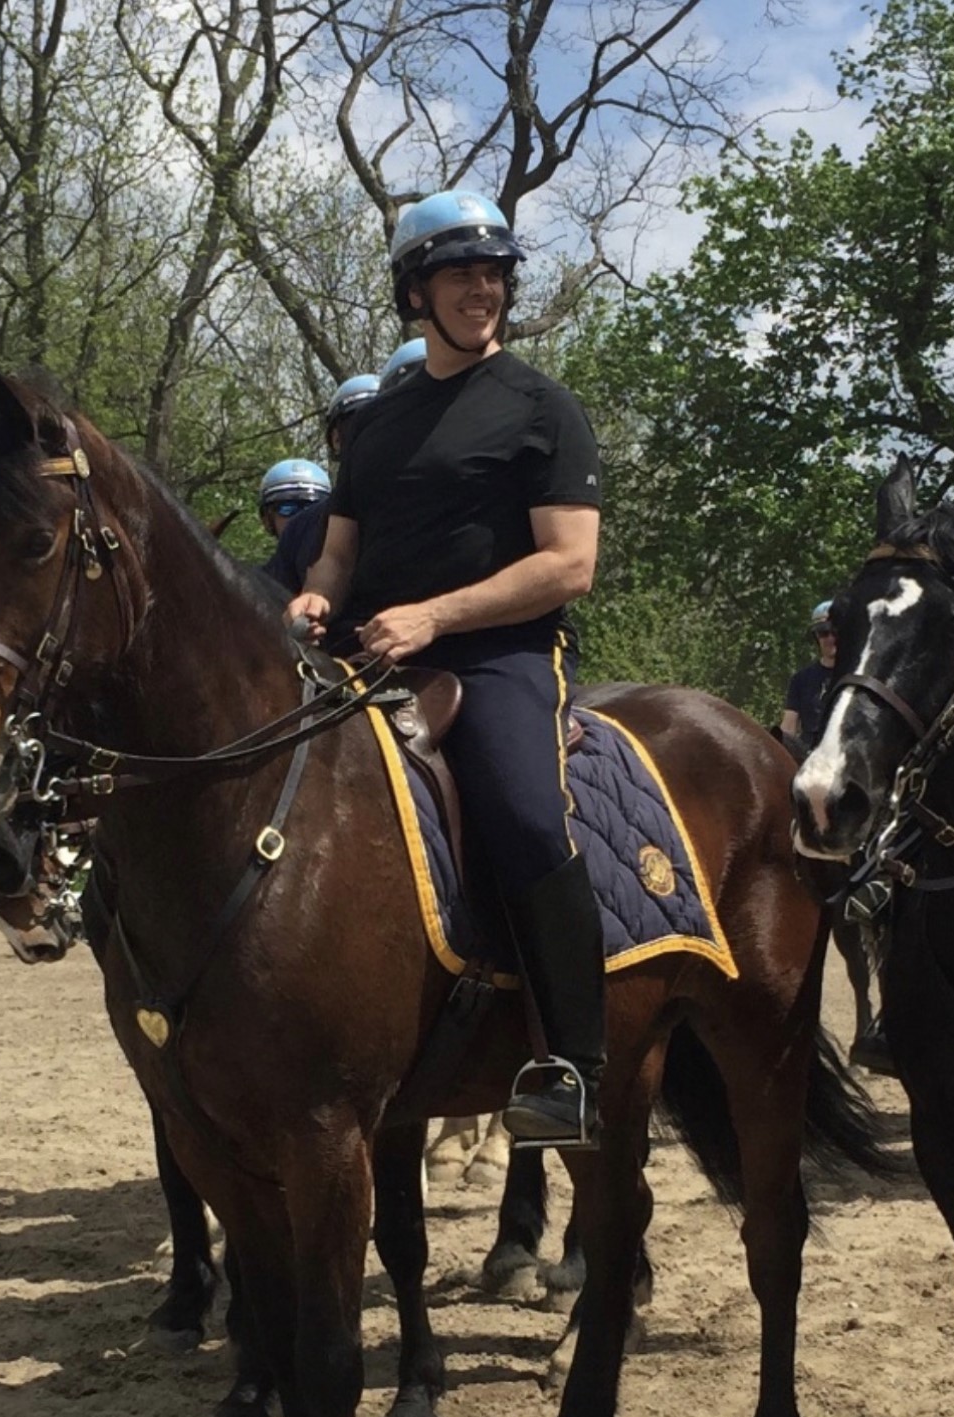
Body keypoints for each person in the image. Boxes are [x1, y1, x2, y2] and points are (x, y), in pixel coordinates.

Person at [287, 190, 604, 1147]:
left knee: (519, 808)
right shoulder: (380, 424)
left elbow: (569, 564)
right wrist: (312, 598)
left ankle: (573, 1066)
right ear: (414, 292)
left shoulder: (544, 409)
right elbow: (338, 557)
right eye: (459, 272)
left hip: (498, 652)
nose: (482, 288)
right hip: (370, 647)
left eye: (494, 272)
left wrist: (435, 614)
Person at [264, 376, 379, 594]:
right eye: (358, 423)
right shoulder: (299, 531)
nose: (373, 435)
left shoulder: (431, 509)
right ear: (336, 437)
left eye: (384, 421)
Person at [257, 459, 329, 591]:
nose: (301, 518)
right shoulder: (255, 585)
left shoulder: (354, 575)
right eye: (287, 508)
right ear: (267, 520)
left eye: (312, 508)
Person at [781, 602, 837, 748]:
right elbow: (788, 727)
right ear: (816, 637)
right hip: (810, 757)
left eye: (835, 631)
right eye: (823, 632)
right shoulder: (801, 680)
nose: (830, 638)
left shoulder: (857, 676)